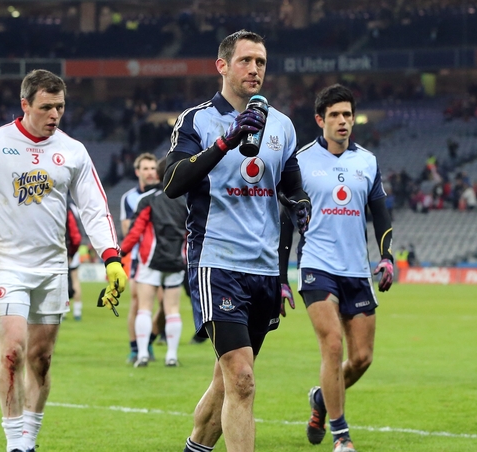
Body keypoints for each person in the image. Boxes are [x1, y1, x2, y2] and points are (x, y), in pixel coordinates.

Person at [0, 69, 127, 452]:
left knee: (40, 359)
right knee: (12, 351)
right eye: (46, 107)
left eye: (60, 106)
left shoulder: (73, 150)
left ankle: (29, 440)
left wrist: (112, 257)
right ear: (25, 104)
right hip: (6, 262)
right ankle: (14, 444)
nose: (55, 114)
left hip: (52, 267)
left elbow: (94, 208)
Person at [162, 29, 310, 452]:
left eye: (261, 62)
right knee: (242, 380)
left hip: (262, 270)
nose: (255, 69)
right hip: (217, 263)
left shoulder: (281, 125)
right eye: (246, 60)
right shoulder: (196, 120)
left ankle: (196, 448)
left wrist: (300, 205)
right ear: (222, 66)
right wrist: (227, 141)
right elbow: (172, 182)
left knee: (227, 382)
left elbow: (292, 186)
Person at [278, 84, 394, 452]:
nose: (343, 121)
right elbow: (284, 221)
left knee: (361, 358)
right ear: (320, 120)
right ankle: (341, 434)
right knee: (332, 345)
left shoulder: (367, 162)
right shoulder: (299, 161)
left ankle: (320, 399)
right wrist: (281, 278)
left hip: (357, 270)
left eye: (348, 115)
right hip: (316, 264)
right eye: (335, 116)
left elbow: (380, 212)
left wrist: (387, 255)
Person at [121, 158, 188, 367]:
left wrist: (119, 253)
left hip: (150, 261)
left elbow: (135, 232)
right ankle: (172, 356)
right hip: (177, 260)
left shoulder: (148, 199)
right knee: (173, 309)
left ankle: (142, 354)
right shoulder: (185, 200)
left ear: (158, 174)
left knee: (144, 308)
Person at [119, 152, 160, 363]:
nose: (150, 172)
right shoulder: (130, 198)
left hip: (165, 257)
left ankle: (149, 340)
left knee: (164, 306)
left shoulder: (166, 193)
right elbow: (128, 229)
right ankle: (136, 348)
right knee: (137, 302)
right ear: (138, 172)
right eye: (145, 168)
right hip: (139, 257)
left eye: (153, 168)